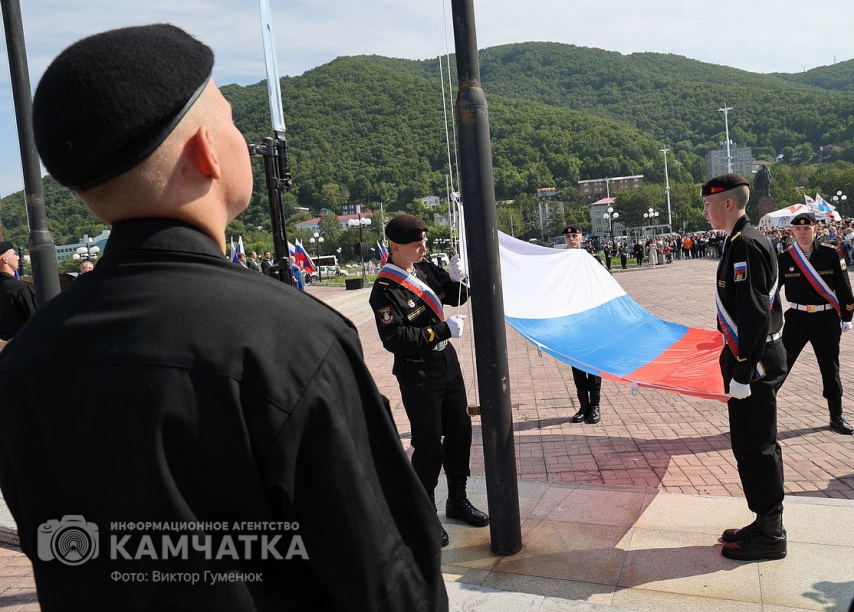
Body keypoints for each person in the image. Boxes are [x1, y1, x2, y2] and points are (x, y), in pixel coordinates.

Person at [0, 24, 446, 611]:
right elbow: (390, 582)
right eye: (232, 119)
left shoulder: (27, 359)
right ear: (207, 151)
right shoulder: (290, 340)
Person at [369, 213, 489, 548]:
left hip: (445, 361)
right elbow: (396, 338)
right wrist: (442, 330)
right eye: (415, 244)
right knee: (427, 444)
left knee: (460, 430)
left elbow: (454, 294)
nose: (423, 248)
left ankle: (457, 499)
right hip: (417, 369)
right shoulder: (385, 289)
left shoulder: (423, 270)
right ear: (394, 246)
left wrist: (460, 278)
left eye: (424, 242)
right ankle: (423, 513)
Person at [702, 173, 788, 562]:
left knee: (757, 446)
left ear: (729, 204)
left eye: (708, 205)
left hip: (752, 361)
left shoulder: (747, 245)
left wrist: (741, 371)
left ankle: (771, 533)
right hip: (749, 358)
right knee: (751, 444)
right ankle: (763, 518)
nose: (705, 211)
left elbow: (753, 314)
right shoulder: (739, 241)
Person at [776, 212, 854, 435]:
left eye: (807, 229)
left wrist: (847, 316)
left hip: (825, 318)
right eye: (798, 229)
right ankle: (762, 415)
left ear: (815, 230)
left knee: (830, 367)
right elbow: (773, 291)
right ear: (792, 231)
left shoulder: (830, 255)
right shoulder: (785, 258)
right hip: (797, 318)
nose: (802, 233)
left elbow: (843, 287)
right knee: (780, 365)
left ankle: (836, 415)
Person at [561, 225, 603, 424]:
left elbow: (606, 283)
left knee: (593, 366)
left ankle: (595, 406)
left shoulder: (593, 260)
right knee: (577, 367)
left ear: (582, 238)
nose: (571, 239)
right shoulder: (560, 264)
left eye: (574, 236)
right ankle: (583, 407)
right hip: (573, 322)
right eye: (568, 237)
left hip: (592, 321)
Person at [0, 241, 37, 350]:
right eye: (14, 254)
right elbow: (36, 321)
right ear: (5, 259)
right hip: (26, 348)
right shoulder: (21, 289)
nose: (17, 258)